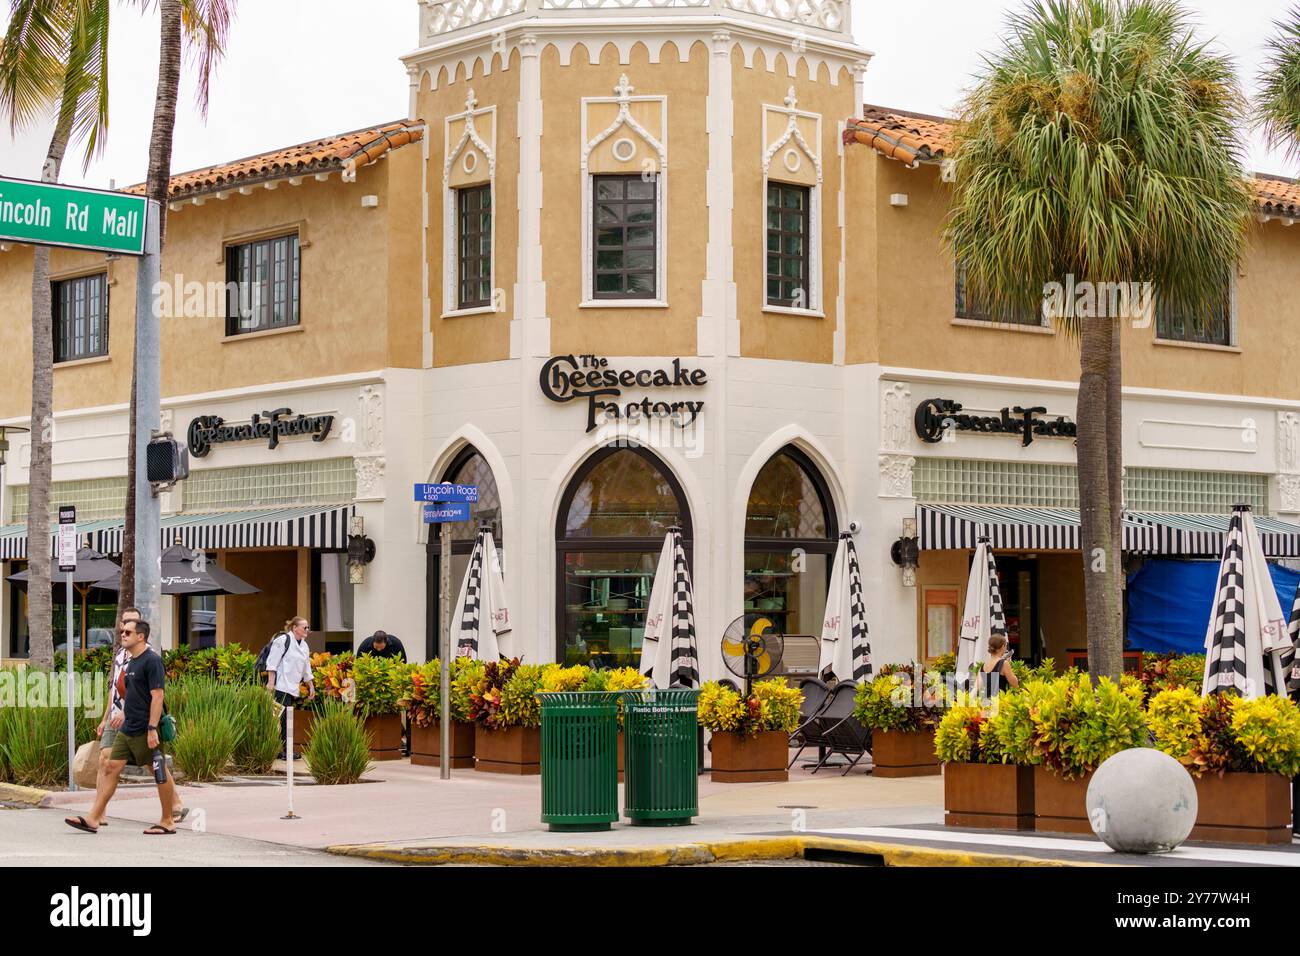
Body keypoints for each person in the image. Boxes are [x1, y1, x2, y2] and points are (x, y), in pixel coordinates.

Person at [66, 620, 178, 835]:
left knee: (159, 772)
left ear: (141, 636)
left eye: (128, 632)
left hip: (145, 729)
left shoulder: (151, 661)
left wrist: (152, 728)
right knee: (110, 767)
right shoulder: (132, 661)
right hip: (128, 728)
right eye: (121, 632)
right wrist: (121, 714)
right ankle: (93, 818)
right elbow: (134, 695)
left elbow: (158, 696)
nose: (122, 635)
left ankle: (167, 821)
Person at [95, 608, 187, 827]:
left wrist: (149, 725)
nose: (125, 630)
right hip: (116, 714)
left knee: (152, 763)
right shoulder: (119, 654)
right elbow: (114, 687)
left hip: (137, 717)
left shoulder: (147, 655)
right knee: (106, 760)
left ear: (140, 632)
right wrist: (106, 716)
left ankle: (173, 807)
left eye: (131, 625)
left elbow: (150, 694)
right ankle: (98, 813)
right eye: (124, 624)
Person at [266, 616, 315, 760]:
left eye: (307, 627)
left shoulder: (304, 645)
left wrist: (311, 685)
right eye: (304, 627)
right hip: (280, 686)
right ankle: (284, 751)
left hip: (291, 687)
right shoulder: (283, 640)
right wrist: (270, 684)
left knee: (284, 719)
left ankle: (283, 750)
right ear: (295, 628)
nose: (307, 630)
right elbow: (272, 662)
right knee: (280, 719)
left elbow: (307, 667)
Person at [981, 633, 1019, 698]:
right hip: (999, 704)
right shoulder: (1004, 664)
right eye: (1006, 645)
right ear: (1003, 646)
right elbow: (1015, 684)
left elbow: (978, 686)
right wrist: (1008, 665)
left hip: (985, 703)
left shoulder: (984, 665)